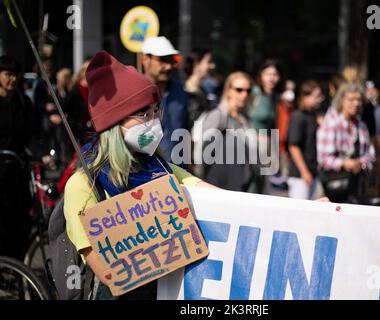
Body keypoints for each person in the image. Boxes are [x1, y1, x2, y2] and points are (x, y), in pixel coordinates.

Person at [63, 51, 215, 300]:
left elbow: (210, 193)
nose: (154, 122)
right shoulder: (82, 186)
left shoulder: (160, 167)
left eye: (156, 111)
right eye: (144, 114)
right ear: (114, 124)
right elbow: (108, 273)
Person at [199, 71, 258, 192]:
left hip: (239, 186)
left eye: (248, 90)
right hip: (216, 186)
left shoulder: (245, 120)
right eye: (239, 89)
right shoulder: (218, 115)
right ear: (229, 90)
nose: (244, 94)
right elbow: (202, 152)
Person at [317, 83, 375, 203]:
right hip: (336, 189)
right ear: (341, 100)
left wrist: (359, 163)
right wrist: (345, 163)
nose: (356, 103)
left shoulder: (361, 126)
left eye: (358, 99)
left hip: (358, 187)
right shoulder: (331, 124)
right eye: (351, 99)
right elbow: (323, 159)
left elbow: (370, 154)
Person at [0, 55, 33, 258]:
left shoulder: (23, 102)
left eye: (15, 75)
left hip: (18, 168)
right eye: (7, 74)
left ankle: (17, 265)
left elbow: (33, 133)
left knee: (21, 219)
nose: (12, 79)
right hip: (0, 170)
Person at [141, 36, 189, 163]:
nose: (168, 67)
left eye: (171, 60)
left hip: (181, 169)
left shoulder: (179, 90)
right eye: (162, 60)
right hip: (150, 172)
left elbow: (185, 129)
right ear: (145, 59)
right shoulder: (135, 93)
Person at [248, 59, 283, 193]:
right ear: (261, 75)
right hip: (249, 148)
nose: (271, 78)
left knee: (261, 187)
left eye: (275, 74)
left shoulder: (275, 98)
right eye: (268, 74)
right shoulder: (254, 93)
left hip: (266, 151)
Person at [287, 80, 325, 200]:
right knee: (299, 212)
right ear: (304, 97)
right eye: (316, 96)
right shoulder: (298, 116)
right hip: (300, 176)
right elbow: (293, 146)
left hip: (314, 173)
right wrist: (304, 171)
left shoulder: (314, 116)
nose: (319, 99)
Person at [362, 80, 380, 197]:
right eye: (368, 90)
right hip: (370, 139)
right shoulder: (366, 106)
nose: (371, 93)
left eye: (373, 90)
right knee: (373, 167)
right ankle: (371, 191)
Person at [183, 49, 216, 129]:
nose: (213, 66)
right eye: (209, 62)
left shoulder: (204, 91)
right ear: (196, 63)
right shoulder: (182, 91)